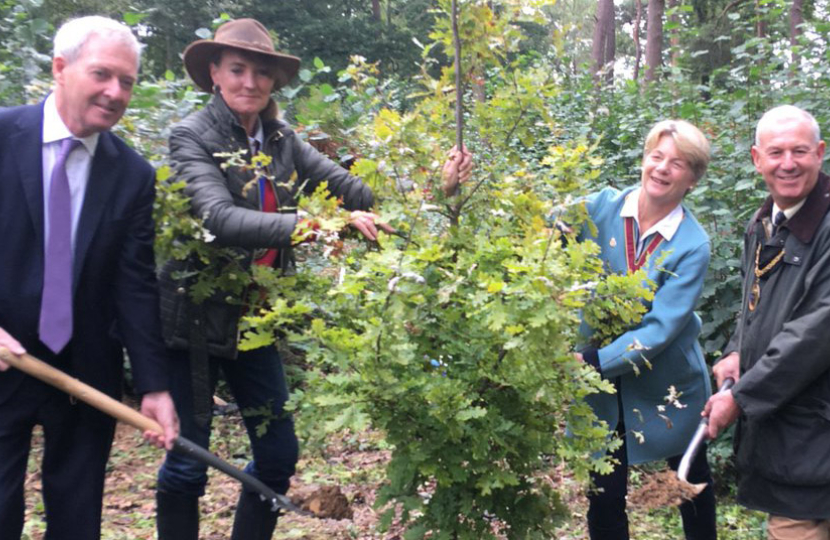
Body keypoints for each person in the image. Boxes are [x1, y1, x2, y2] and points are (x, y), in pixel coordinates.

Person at [154, 18, 473, 540]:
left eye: (261, 72)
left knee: (278, 454)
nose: (249, 82)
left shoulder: (281, 140)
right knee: (189, 462)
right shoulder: (191, 136)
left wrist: (432, 185)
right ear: (214, 73)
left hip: (255, 321)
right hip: (193, 319)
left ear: (274, 81)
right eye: (237, 69)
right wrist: (317, 225)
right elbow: (217, 218)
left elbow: (354, 192)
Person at [0, 16, 179, 540]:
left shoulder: (132, 175)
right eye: (103, 74)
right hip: (4, 359)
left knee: (77, 520)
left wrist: (154, 385)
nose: (115, 91)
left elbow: (135, 284)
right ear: (60, 68)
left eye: (127, 82)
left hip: (85, 372)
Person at [574, 120, 716, 539]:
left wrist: (592, 361)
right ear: (644, 159)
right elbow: (534, 227)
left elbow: (660, 328)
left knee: (690, 483)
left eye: (678, 163)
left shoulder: (693, 244)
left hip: (668, 384)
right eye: (656, 156)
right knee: (604, 494)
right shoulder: (599, 208)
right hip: (601, 387)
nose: (662, 168)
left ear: (692, 179)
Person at [704, 105, 830, 540]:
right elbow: (755, 306)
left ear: (820, 153)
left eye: (800, 151)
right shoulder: (763, 225)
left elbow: (817, 331)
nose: (788, 164)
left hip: (817, 442)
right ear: (757, 159)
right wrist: (737, 348)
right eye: (776, 152)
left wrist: (742, 397)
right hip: (792, 445)